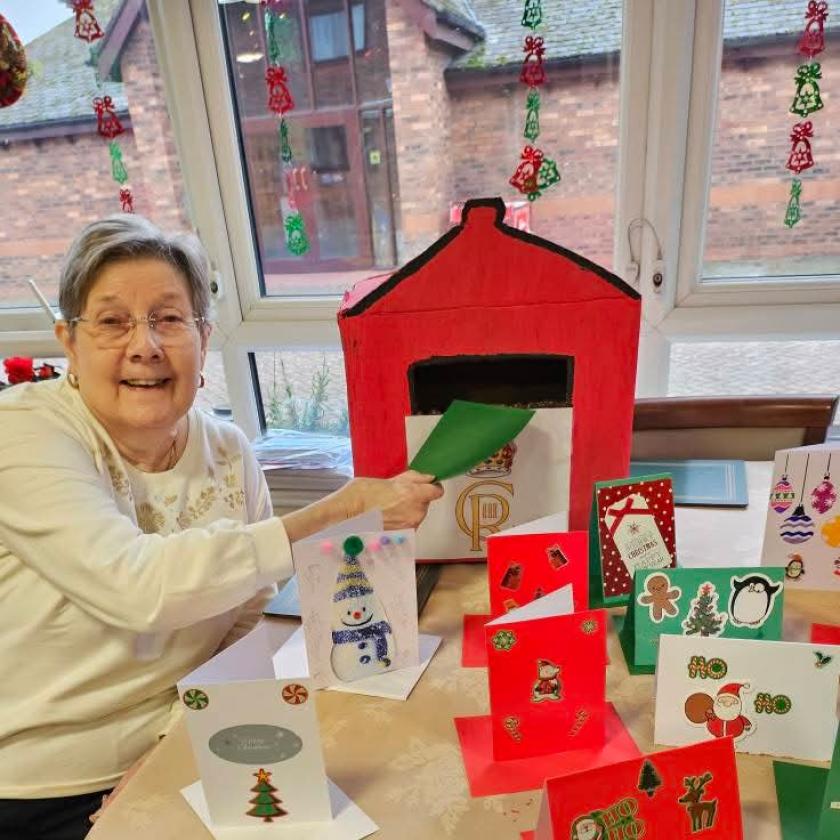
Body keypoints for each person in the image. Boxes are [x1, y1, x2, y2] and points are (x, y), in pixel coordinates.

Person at [0, 215, 443, 840]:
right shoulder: (23, 432)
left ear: (204, 338)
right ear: (68, 342)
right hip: (44, 788)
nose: (145, 345)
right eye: (112, 321)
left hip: (177, 739)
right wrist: (330, 515)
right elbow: (138, 588)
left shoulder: (227, 448)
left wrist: (187, 742)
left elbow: (246, 613)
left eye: (169, 318)